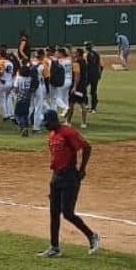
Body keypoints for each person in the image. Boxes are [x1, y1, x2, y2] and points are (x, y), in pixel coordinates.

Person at [39, 109, 100, 258]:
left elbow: (87, 147)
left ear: (54, 121)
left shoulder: (68, 133)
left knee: (67, 212)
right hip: (56, 177)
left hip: (70, 176)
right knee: (54, 212)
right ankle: (54, 247)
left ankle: (92, 235)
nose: (46, 127)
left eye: (47, 124)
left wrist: (82, 169)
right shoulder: (52, 135)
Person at [83, 42, 104, 112]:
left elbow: (84, 66)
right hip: (95, 75)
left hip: (88, 75)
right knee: (93, 91)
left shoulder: (85, 55)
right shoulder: (97, 54)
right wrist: (99, 74)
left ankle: (85, 104)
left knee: (83, 89)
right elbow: (101, 66)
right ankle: (93, 108)